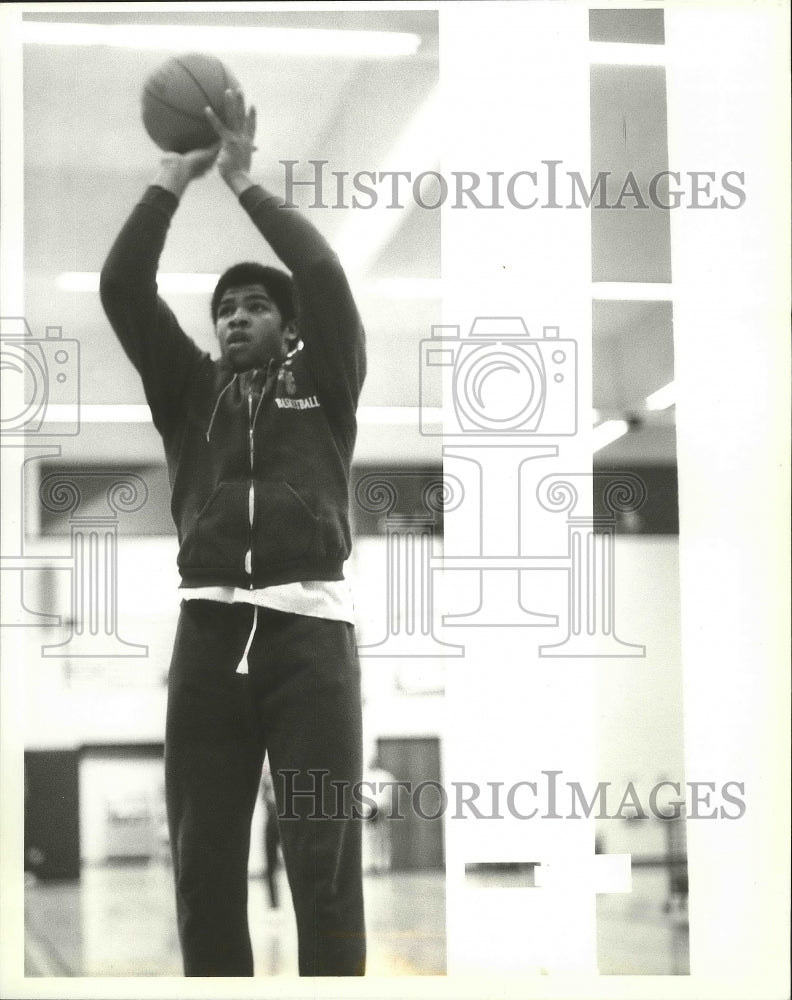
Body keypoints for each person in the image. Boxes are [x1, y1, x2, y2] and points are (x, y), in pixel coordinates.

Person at [100, 89, 366, 977]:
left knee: (322, 871)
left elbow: (325, 279)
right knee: (202, 870)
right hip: (209, 641)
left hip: (312, 643)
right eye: (224, 309)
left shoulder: (324, 386)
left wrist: (246, 185)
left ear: (289, 331)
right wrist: (170, 183)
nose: (234, 317)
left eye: (254, 306)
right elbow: (121, 289)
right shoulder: (188, 393)